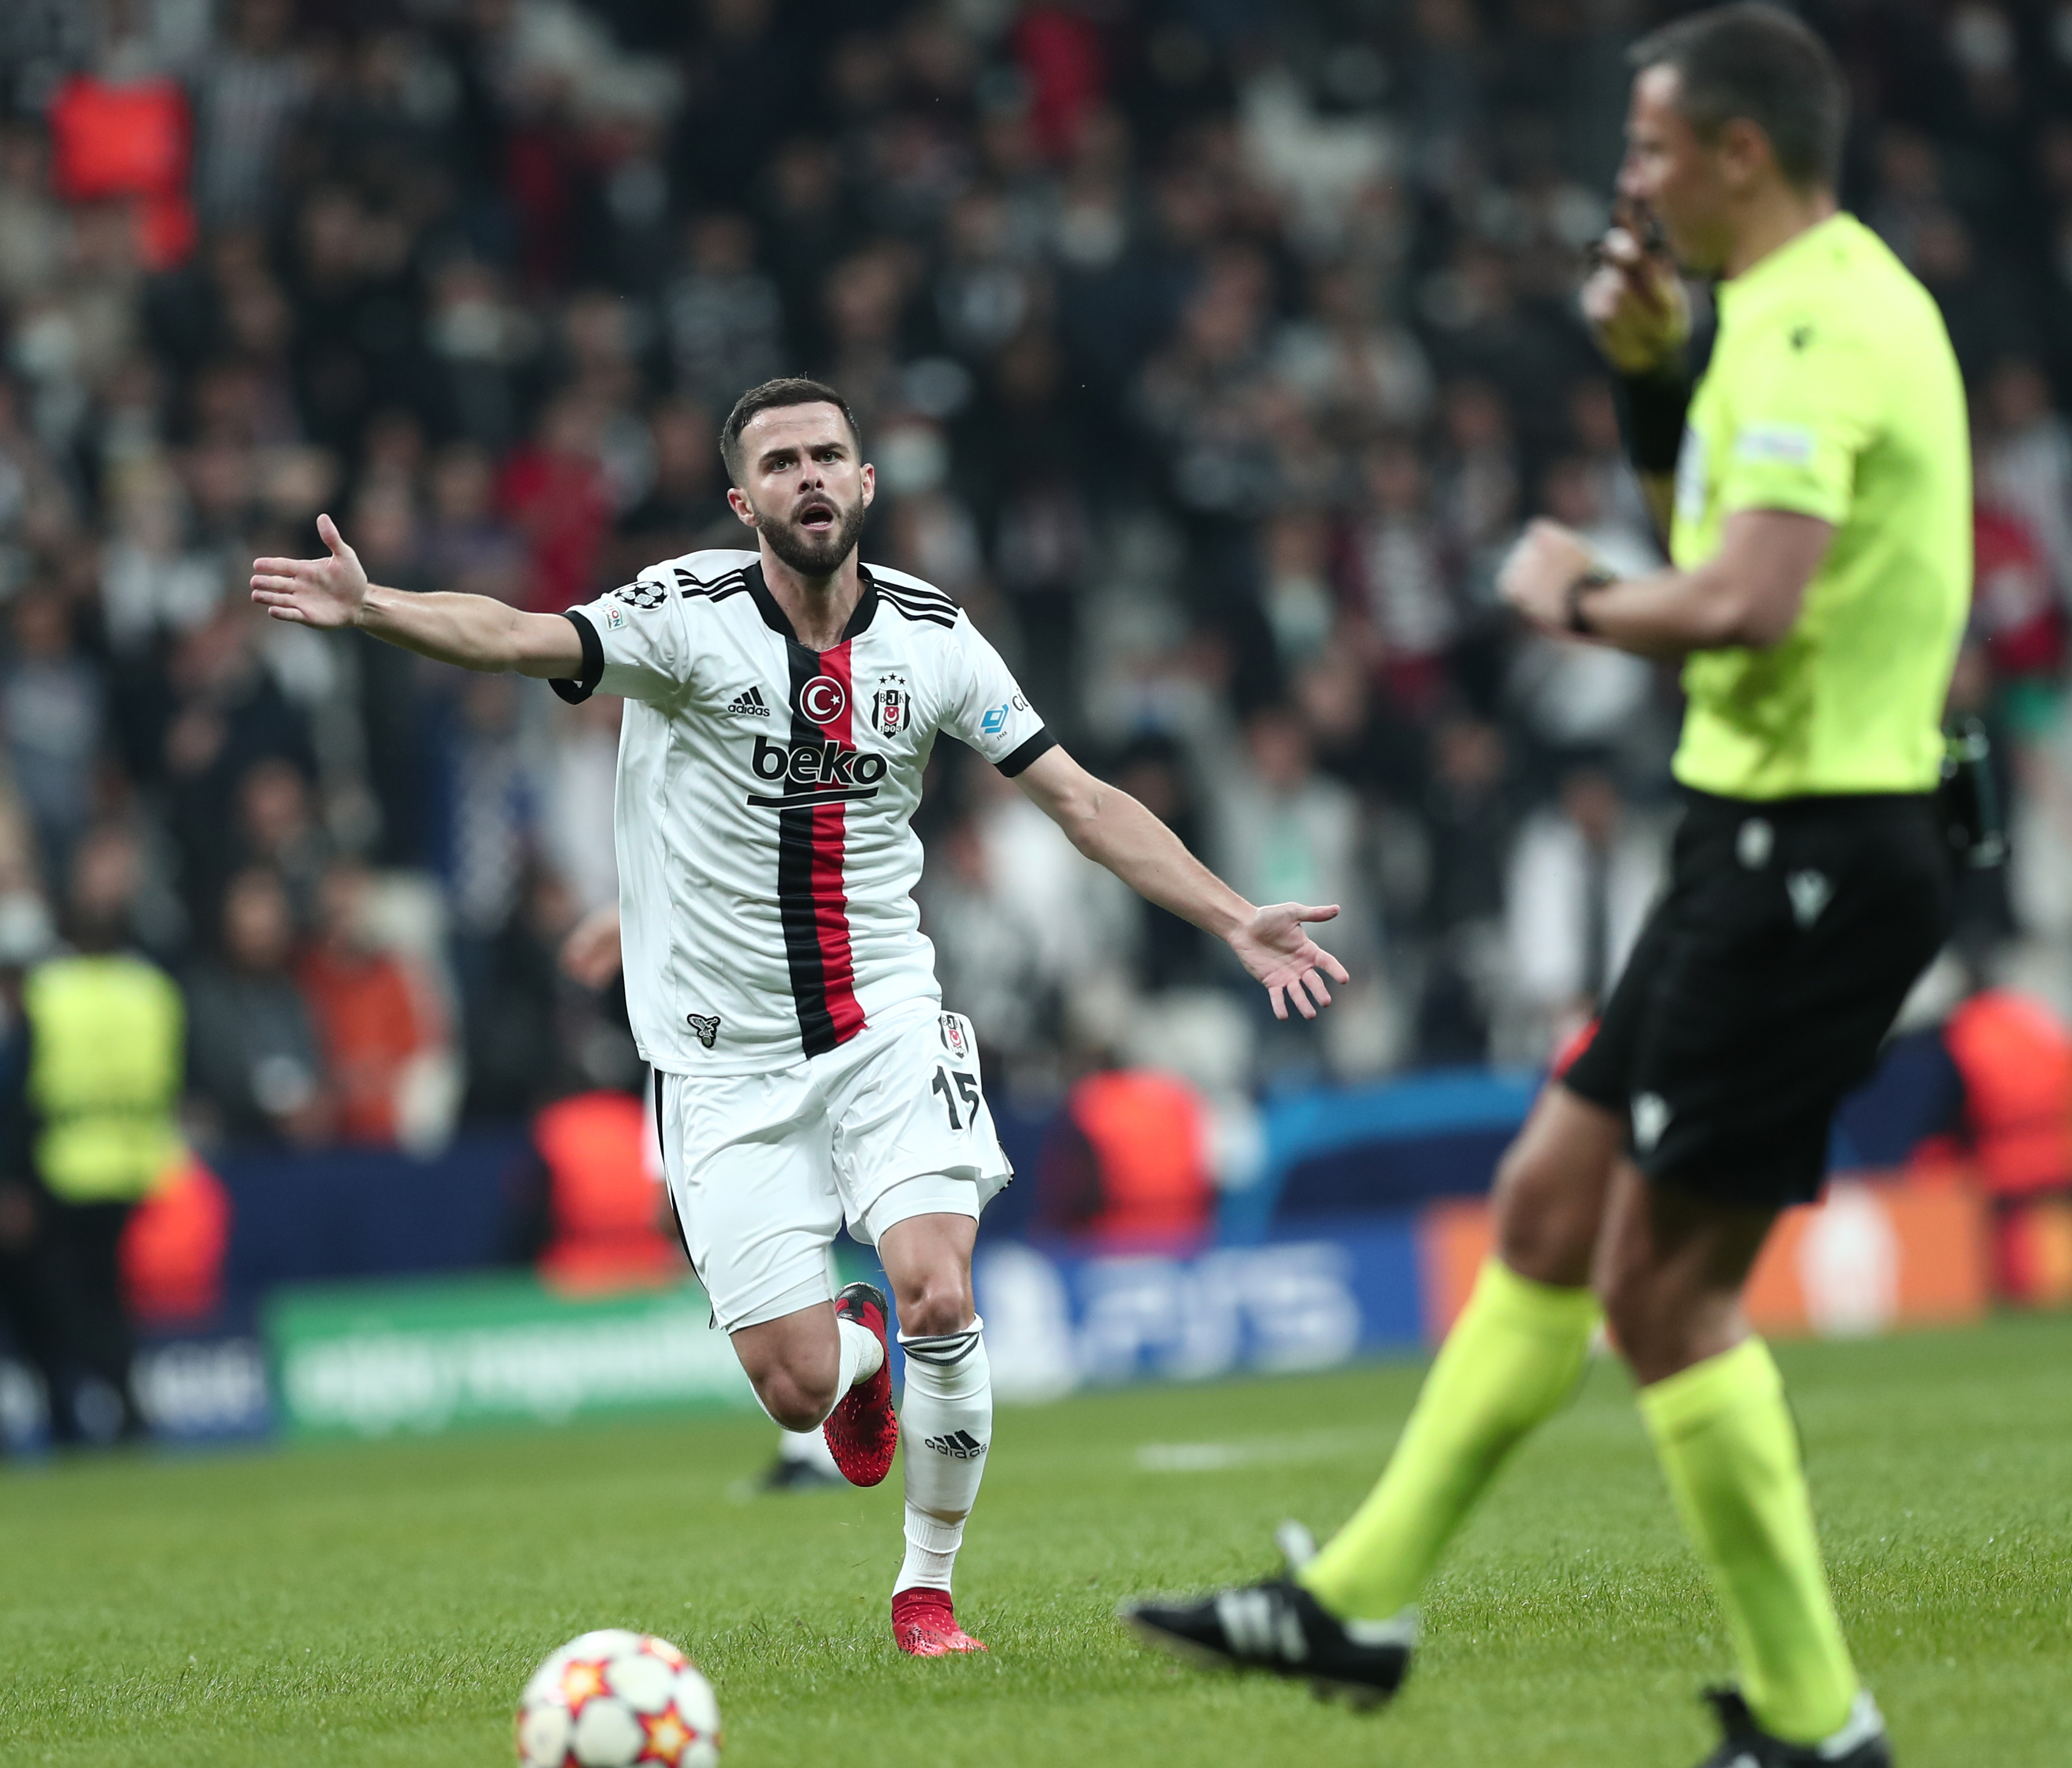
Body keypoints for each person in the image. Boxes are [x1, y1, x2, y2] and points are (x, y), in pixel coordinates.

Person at [1121, 6, 1966, 1768]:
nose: (1633, 178)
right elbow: (1716, 531)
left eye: (1656, 147)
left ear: (1742, 149)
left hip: (1818, 855)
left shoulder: (1826, 322)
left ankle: (1815, 1723)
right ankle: (1351, 1603)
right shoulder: (1780, 317)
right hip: (1751, 837)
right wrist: (1654, 380)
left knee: (1665, 1296)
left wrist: (1573, 598)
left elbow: (1737, 596)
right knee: (1545, 1202)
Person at [253, 375, 1349, 1655]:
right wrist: (373, 605)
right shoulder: (681, 616)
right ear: (743, 501)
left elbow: (1082, 801)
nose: (809, 478)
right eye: (780, 464)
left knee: (940, 1289)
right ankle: (858, 1363)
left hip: (885, 1012)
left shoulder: (936, 639)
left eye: (829, 454)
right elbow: (511, 635)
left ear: (867, 481)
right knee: (793, 1383)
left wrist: (1228, 917)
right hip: (720, 1058)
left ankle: (924, 1589)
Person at [22, 832, 187, 1445]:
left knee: (69, 1301)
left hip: (67, 1161)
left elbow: (23, 1081)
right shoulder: (151, 990)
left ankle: (113, 1401)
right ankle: (120, 1404)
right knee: (106, 1293)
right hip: (135, 1160)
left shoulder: (51, 991)